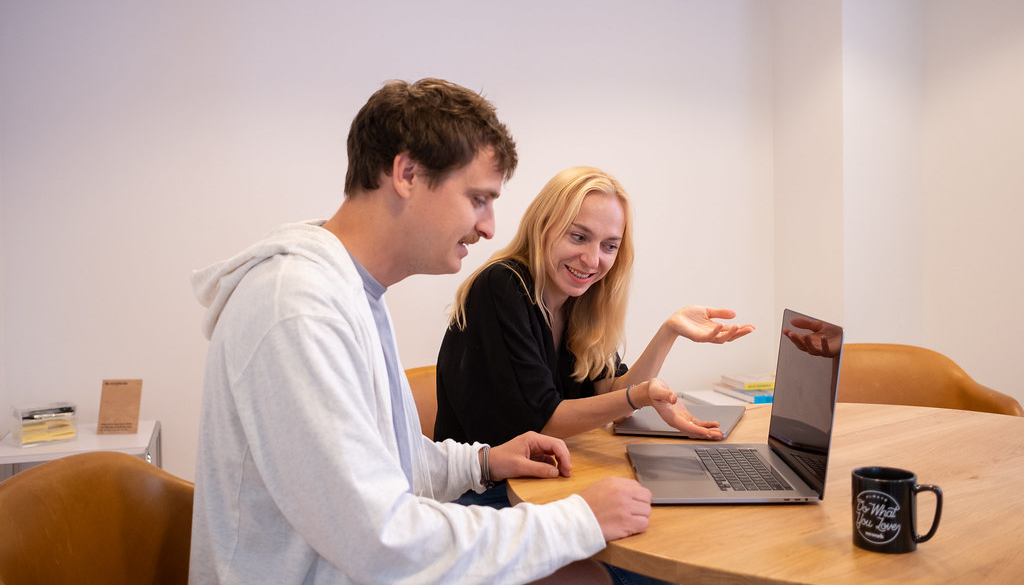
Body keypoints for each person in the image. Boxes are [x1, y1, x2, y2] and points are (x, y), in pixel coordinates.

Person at [189, 80, 654, 584]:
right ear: (407, 173)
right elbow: (381, 542)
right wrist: (576, 520)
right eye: (478, 199)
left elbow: (392, 462)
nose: (490, 227)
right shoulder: (299, 310)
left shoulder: (350, 292)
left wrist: (484, 461)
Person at [435, 166, 755, 507]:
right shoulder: (503, 286)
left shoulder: (578, 301)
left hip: (545, 480)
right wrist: (640, 395)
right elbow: (546, 422)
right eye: (578, 236)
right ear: (542, 227)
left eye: (609, 246)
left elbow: (613, 395)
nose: (592, 260)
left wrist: (669, 331)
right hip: (486, 494)